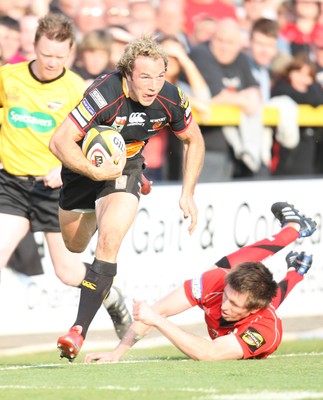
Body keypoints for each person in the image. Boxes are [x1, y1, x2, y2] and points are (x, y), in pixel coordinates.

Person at [49, 34, 205, 361]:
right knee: (75, 245)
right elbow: (60, 142)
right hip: (82, 170)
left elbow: (194, 139)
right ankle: (106, 290)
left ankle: (78, 331)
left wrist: (187, 192)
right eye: (145, 77)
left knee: (109, 240)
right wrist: (94, 172)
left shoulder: (171, 98)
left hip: (126, 168)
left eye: (160, 76)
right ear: (128, 74)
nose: (153, 85)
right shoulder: (102, 95)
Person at [0, 13, 131, 339]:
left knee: (68, 271)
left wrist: (62, 165)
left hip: (53, 189)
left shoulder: (77, 88)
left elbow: (88, 140)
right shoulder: (8, 77)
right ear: (34, 47)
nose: (52, 62)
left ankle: (111, 297)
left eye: (60, 56)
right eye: (46, 55)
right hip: (12, 184)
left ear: (71, 52)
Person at [84, 201, 317, 363]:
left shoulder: (263, 329)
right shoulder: (218, 282)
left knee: (272, 304)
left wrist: (157, 321)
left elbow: (209, 353)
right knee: (220, 268)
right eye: (226, 295)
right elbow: (158, 310)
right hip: (228, 283)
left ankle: (296, 269)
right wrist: (117, 352)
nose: (225, 305)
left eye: (234, 305)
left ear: (252, 310)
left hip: (259, 323)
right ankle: (294, 230)